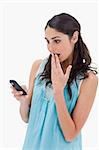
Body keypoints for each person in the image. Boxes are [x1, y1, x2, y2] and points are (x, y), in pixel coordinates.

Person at [11, 13, 98, 150]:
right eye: (47, 41)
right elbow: (27, 118)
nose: (50, 48)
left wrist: (58, 92)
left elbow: (70, 135)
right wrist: (24, 102)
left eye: (56, 41)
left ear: (74, 37)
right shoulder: (38, 67)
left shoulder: (88, 80)